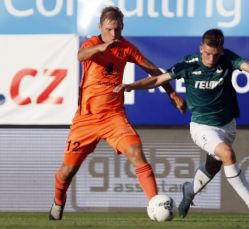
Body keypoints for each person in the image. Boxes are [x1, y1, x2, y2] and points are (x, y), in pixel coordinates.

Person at [114, 28, 249, 220]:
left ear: (221, 51)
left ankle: (190, 190)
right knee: (227, 154)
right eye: (207, 54)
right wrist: (131, 86)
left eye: (216, 54)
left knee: (214, 166)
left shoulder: (227, 58)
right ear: (201, 48)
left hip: (228, 125)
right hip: (202, 127)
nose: (211, 59)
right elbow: (157, 79)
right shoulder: (189, 64)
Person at [49, 6, 186, 220]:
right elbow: (80, 55)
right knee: (66, 171)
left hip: (114, 117)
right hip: (87, 118)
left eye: (118, 30)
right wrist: (102, 47)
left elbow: (152, 70)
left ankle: (156, 205)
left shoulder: (126, 48)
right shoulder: (93, 44)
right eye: (109, 29)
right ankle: (58, 203)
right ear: (100, 28)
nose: (114, 34)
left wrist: (171, 93)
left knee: (136, 153)